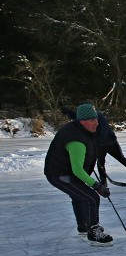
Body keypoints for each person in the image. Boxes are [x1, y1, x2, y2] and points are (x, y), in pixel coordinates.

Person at [44, 103, 113, 246]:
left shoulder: (82, 130)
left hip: (65, 171)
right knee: (92, 197)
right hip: (59, 174)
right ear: (82, 121)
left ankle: (83, 227)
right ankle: (94, 232)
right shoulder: (76, 140)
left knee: (79, 196)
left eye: (97, 118)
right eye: (93, 120)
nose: (97, 123)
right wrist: (97, 186)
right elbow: (77, 170)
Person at [61, 105, 126, 186]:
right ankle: (103, 181)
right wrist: (68, 112)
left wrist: (94, 139)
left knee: (119, 158)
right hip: (103, 143)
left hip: (109, 142)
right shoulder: (91, 116)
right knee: (101, 162)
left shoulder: (97, 116)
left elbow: (103, 131)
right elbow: (80, 119)